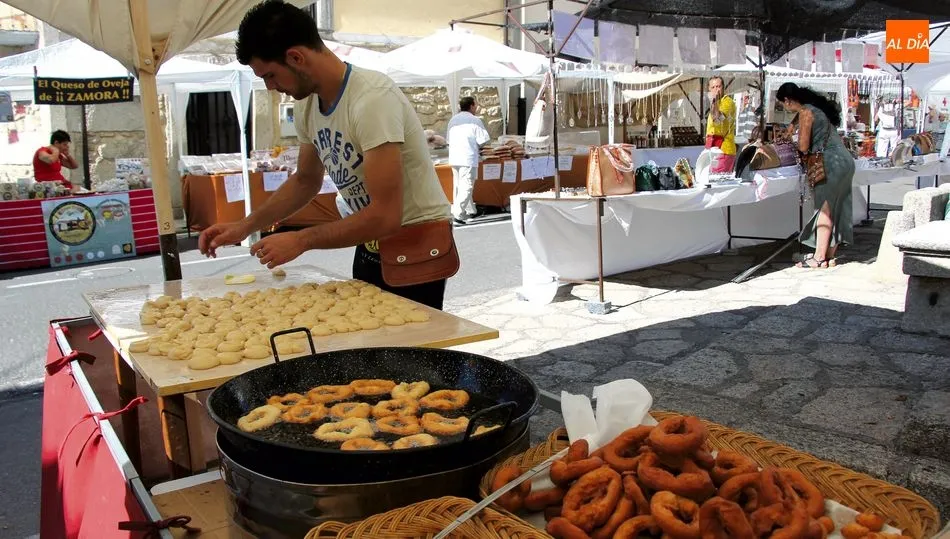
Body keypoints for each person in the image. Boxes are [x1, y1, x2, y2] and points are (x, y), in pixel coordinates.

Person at [198, 0, 453, 309]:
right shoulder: (308, 103)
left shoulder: (371, 100)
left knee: (407, 352)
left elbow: (386, 215)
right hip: (370, 239)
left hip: (414, 246)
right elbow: (305, 180)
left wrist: (301, 240)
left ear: (295, 57)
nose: (271, 88)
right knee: (369, 347)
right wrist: (245, 226)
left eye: (270, 76)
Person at [776, 82, 854, 269]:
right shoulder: (815, 109)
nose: (784, 108)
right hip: (845, 161)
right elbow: (796, 126)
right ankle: (828, 255)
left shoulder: (806, 113)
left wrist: (790, 145)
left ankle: (818, 257)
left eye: (782, 104)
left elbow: (803, 146)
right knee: (839, 208)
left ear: (787, 100)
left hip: (829, 163)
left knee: (824, 208)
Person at [446, 96, 490, 224]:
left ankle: (470, 210)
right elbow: (483, 140)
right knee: (467, 185)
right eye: (475, 105)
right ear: (471, 106)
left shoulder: (453, 120)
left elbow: (448, 140)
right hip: (468, 156)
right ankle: (458, 213)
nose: (476, 108)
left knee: (459, 185)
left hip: (455, 156)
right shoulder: (475, 120)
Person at [704, 77, 736, 172]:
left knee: (718, 180)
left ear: (723, 87)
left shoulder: (727, 102)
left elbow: (717, 119)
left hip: (724, 149)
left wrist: (715, 101)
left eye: (718, 86)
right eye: (713, 87)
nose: (716, 89)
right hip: (714, 147)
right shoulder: (716, 103)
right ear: (709, 89)